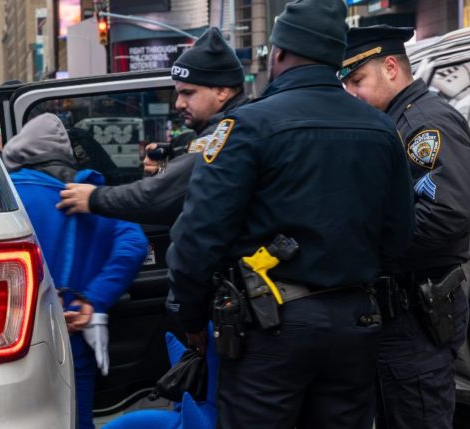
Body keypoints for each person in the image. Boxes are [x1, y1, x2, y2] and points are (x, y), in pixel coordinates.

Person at [166, 1, 416, 428]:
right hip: (356, 324)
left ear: (279, 52)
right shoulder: (380, 129)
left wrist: (189, 319)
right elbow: (398, 238)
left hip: (270, 327)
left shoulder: (246, 126)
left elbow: (198, 238)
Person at [339, 25, 470, 429]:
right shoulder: (395, 122)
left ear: (390, 68)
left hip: (414, 312)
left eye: (357, 81)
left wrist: (366, 244)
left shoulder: (423, 123)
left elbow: (447, 211)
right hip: (399, 313)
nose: (352, 93)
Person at [2, 113, 148, 429]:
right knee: (79, 418)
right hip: (77, 332)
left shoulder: (5, 197)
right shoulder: (91, 193)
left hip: (20, 335)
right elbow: (134, 243)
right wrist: (93, 300)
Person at [56, 27, 248, 226]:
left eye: (188, 93)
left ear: (222, 91)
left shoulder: (229, 132)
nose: (179, 104)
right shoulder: (228, 127)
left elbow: (156, 196)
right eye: (178, 94)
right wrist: (167, 165)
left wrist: (93, 198)